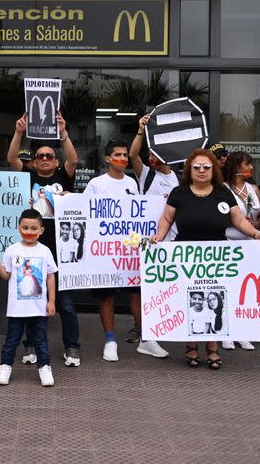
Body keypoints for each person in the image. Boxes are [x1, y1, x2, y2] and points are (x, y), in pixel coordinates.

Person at [152, 148, 260, 370]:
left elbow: (239, 220)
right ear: (190, 170)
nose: (202, 171)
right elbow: (166, 219)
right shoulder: (179, 193)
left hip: (217, 257)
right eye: (197, 167)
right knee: (192, 300)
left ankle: (213, 347)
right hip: (185, 256)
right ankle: (191, 346)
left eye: (206, 167)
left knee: (217, 299)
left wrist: (257, 233)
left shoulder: (223, 194)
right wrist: (158, 237)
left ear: (213, 169)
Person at [6, 109, 82, 367]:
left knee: (66, 304)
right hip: (32, 248)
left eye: (50, 155)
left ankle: (72, 347)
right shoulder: (27, 177)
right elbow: (11, 158)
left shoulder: (65, 176)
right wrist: (18, 132)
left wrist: (63, 133)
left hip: (62, 250)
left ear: (56, 161)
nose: (45, 158)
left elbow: (73, 157)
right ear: (35, 162)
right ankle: (31, 346)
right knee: (31, 299)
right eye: (40, 156)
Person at [83, 139, 168, 360]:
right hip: (105, 251)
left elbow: (140, 212)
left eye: (125, 155)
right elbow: (85, 214)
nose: (123, 158)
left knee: (138, 293)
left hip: (130, 250)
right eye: (118, 155)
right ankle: (110, 340)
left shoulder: (132, 182)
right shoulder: (96, 184)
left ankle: (147, 339)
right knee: (107, 295)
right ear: (108, 159)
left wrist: (160, 202)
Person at [128, 114, 179, 349]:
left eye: (156, 154)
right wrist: (140, 131)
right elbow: (132, 155)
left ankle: (158, 326)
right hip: (146, 239)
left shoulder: (179, 177)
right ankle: (144, 332)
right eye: (149, 155)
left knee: (163, 286)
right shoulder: (146, 174)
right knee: (141, 287)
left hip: (171, 238)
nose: (151, 158)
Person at [0, 209, 57, 386]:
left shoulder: (45, 251)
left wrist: (51, 302)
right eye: (25, 227)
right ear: (18, 227)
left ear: (41, 230)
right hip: (16, 309)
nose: (29, 232)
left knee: (41, 340)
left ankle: (44, 368)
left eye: (34, 228)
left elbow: (50, 276)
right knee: (11, 340)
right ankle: (5, 366)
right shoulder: (12, 250)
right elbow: (6, 275)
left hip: (38, 308)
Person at [221, 151, 260, 351]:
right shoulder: (222, 189)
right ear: (236, 166)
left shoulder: (253, 188)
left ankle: (242, 332)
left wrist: (256, 222)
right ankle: (225, 332)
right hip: (229, 243)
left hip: (250, 245)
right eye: (248, 164)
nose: (251, 168)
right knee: (227, 289)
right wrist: (237, 222)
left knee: (245, 290)